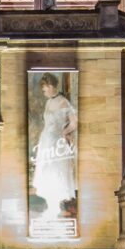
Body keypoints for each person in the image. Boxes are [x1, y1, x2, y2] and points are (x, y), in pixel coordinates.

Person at [30, 73, 78, 227]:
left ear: (50, 86)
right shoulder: (49, 102)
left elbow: (74, 122)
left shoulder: (63, 102)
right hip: (46, 140)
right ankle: (51, 208)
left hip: (57, 141)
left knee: (56, 172)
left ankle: (55, 208)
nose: (44, 92)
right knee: (46, 172)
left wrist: (64, 132)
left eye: (44, 89)